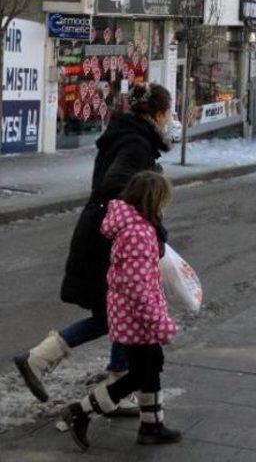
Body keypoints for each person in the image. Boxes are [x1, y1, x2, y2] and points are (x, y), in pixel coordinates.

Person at [14, 83, 172, 407]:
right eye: (167, 114)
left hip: (104, 233)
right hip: (108, 240)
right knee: (115, 313)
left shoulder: (128, 135)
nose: (167, 121)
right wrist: (148, 220)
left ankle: (111, 379)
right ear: (158, 114)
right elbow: (116, 182)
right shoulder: (136, 142)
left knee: (116, 312)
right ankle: (43, 361)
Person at [62, 171, 180, 450]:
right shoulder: (139, 233)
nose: (166, 206)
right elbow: (137, 287)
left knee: (151, 368)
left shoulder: (135, 227)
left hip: (131, 316)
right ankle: (80, 411)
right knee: (140, 374)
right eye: (164, 200)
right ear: (153, 200)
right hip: (137, 319)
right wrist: (158, 323)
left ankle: (151, 425)